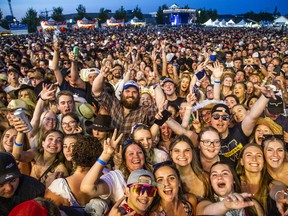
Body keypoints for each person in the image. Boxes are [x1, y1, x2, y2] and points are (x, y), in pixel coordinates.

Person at [81, 132, 155, 204]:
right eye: (131, 154)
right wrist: (105, 156)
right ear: (124, 159)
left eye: (139, 152)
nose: (136, 156)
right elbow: (87, 188)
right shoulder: (117, 178)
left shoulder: (153, 174)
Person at [45, 135, 106, 215]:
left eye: (72, 146)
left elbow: (46, 211)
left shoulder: (59, 186)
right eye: (65, 146)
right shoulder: (107, 179)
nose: (68, 150)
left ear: (75, 153)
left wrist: (47, 187)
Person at [92, 68, 158, 141]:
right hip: (112, 148)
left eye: (134, 92)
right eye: (127, 91)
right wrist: (102, 75)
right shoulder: (114, 104)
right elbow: (96, 91)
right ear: (122, 93)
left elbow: (161, 108)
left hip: (134, 150)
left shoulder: (143, 111)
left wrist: (156, 84)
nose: (130, 95)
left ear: (139, 95)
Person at [196, 161, 264, 215]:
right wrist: (225, 205)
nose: (219, 177)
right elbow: (204, 211)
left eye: (225, 173)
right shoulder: (203, 204)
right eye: (214, 175)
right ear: (211, 183)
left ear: (233, 179)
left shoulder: (252, 204)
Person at [236, 143, 284, 215]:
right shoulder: (234, 182)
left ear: (264, 161)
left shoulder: (273, 184)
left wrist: (281, 196)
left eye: (259, 156)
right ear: (242, 161)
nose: (254, 159)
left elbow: (278, 189)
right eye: (249, 155)